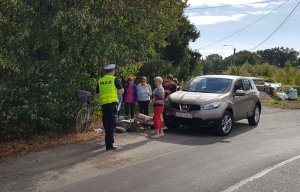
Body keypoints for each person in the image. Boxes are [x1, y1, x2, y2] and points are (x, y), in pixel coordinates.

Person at [96, 64, 124, 151]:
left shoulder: (100, 80)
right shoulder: (114, 79)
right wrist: (115, 91)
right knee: (112, 124)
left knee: (106, 123)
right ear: (113, 71)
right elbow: (121, 90)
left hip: (104, 104)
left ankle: (108, 140)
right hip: (112, 104)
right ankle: (109, 145)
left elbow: (97, 94)